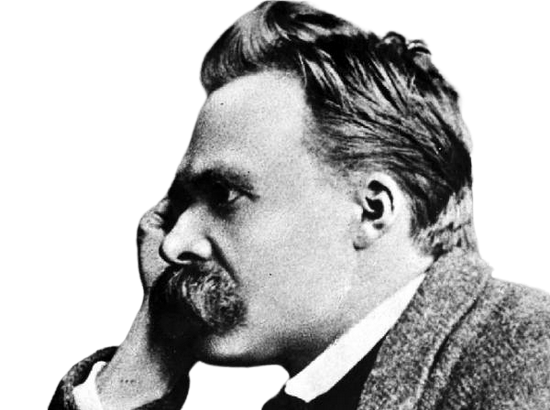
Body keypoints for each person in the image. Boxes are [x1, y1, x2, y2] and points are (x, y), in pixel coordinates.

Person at [46, 0, 550, 409]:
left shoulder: (534, 357)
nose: (173, 245)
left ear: (372, 211)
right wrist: (147, 355)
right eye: (178, 206)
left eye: (224, 195)